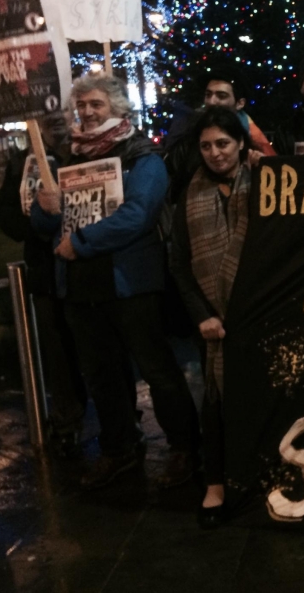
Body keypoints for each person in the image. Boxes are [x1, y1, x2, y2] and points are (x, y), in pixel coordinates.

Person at [31, 75, 200, 490]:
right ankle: (119, 448)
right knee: (101, 374)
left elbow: (139, 214)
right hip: (81, 288)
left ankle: (185, 448)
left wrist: (84, 243)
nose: (87, 113)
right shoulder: (68, 159)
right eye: (82, 106)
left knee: (158, 371)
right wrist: (45, 208)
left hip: (130, 283)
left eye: (97, 105)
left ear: (119, 110)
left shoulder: (143, 158)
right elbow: (47, 225)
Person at [169, 108, 251, 528]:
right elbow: (179, 264)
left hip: (256, 311)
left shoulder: (268, 184)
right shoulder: (190, 194)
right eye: (206, 145)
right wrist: (202, 315)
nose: (215, 153)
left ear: (240, 143)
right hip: (213, 321)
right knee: (215, 398)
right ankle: (215, 482)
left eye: (223, 143)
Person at [0, 112, 87, 456]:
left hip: (86, 263)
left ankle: (120, 416)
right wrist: (35, 219)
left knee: (97, 344)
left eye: (60, 109)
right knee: (56, 347)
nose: (55, 119)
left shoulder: (87, 152)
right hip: (46, 268)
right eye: (45, 115)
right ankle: (67, 416)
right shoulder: (22, 162)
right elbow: (2, 213)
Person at [165, 63, 275, 202]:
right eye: (208, 94)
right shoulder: (187, 140)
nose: (212, 101)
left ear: (240, 103)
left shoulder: (255, 144)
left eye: (221, 96)